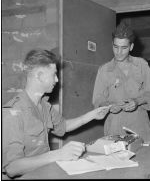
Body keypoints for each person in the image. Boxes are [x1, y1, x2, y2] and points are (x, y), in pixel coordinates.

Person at [2, 49, 110, 179]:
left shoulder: (44, 105)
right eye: (54, 74)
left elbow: (64, 126)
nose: (57, 80)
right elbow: (12, 168)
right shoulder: (12, 113)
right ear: (40, 76)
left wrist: (93, 115)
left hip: (44, 173)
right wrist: (58, 154)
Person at [92, 22, 150, 144]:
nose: (119, 52)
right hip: (114, 126)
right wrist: (109, 105)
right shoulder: (104, 70)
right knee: (116, 160)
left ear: (131, 47)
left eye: (124, 48)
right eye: (116, 47)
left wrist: (137, 102)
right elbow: (97, 100)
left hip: (139, 125)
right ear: (112, 45)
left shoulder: (141, 65)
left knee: (143, 159)